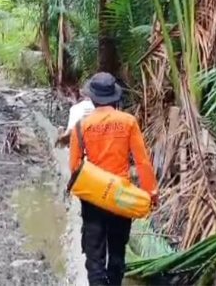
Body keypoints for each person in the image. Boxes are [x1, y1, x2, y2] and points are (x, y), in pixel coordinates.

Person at [69, 72, 158, 286]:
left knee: (94, 259)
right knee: (117, 254)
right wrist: (151, 194)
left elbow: (75, 168)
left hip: (93, 199)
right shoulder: (128, 122)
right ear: (114, 97)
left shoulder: (81, 126)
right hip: (121, 197)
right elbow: (142, 162)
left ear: (92, 98)